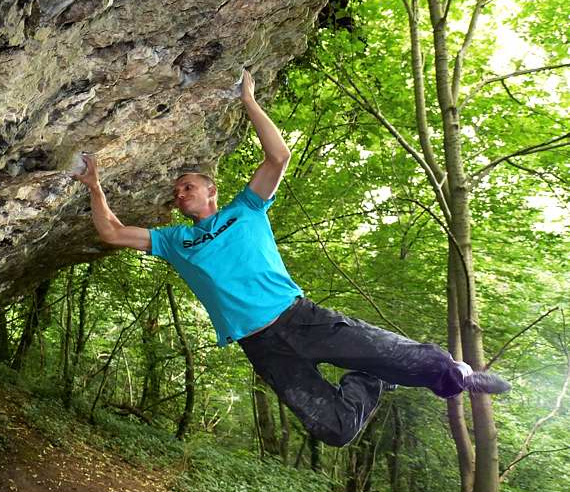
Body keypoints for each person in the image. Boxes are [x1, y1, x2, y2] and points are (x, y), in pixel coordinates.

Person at [70, 69, 509, 448]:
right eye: (177, 190)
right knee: (334, 430)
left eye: (189, 186)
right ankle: (370, 377)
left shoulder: (246, 209)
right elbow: (110, 231)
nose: (180, 193)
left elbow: (278, 156)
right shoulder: (173, 241)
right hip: (260, 345)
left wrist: (249, 100)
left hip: (300, 318)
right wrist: (94, 185)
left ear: (211, 191)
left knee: (417, 361)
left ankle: (460, 376)